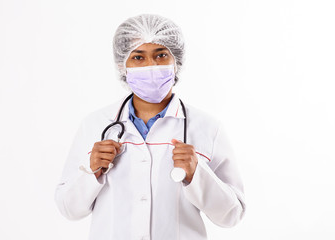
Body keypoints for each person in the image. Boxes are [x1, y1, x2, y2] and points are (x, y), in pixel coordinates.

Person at [55, 14, 246, 240]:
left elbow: (231, 215)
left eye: (161, 55)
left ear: (177, 61)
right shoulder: (96, 124)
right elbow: (69, 209)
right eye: (138, 57)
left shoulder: (207, 127)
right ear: (122, 64)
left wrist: (198, 173)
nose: (151, 66)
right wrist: (91, 171)